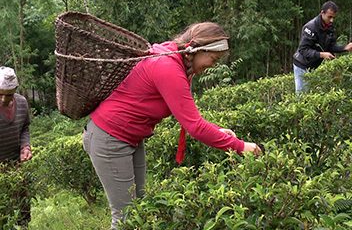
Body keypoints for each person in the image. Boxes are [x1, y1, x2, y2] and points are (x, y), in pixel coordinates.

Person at [82, 22, 261, 229]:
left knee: (140, 208)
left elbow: (187, 115)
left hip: (129, 137)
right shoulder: (168, 66)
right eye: (213, 59)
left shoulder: (177, 60)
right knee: (126, 218)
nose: (213, 65)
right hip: (110, 138)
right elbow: (195, 127)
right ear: (197, 49)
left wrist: (219, 133)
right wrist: (240, 146)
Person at [293, 0, 352, 93]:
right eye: (329, 17)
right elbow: (303, 50)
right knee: (301, 97)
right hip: (302, 65)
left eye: (333, 17)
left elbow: (331, 46)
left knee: (311, 95)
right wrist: (321, 54)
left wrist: (345, 48)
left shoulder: (329, 26)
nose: (332, 20)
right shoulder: (310, 27)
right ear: (322, 13)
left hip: (313, 66)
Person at [0, 66, 32, 227]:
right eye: (0, 95)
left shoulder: (22, 102)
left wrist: (25, 146)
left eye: (9, 95)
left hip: (16, 164)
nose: (4, 99)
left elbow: (25, 127)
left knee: (22, 203)